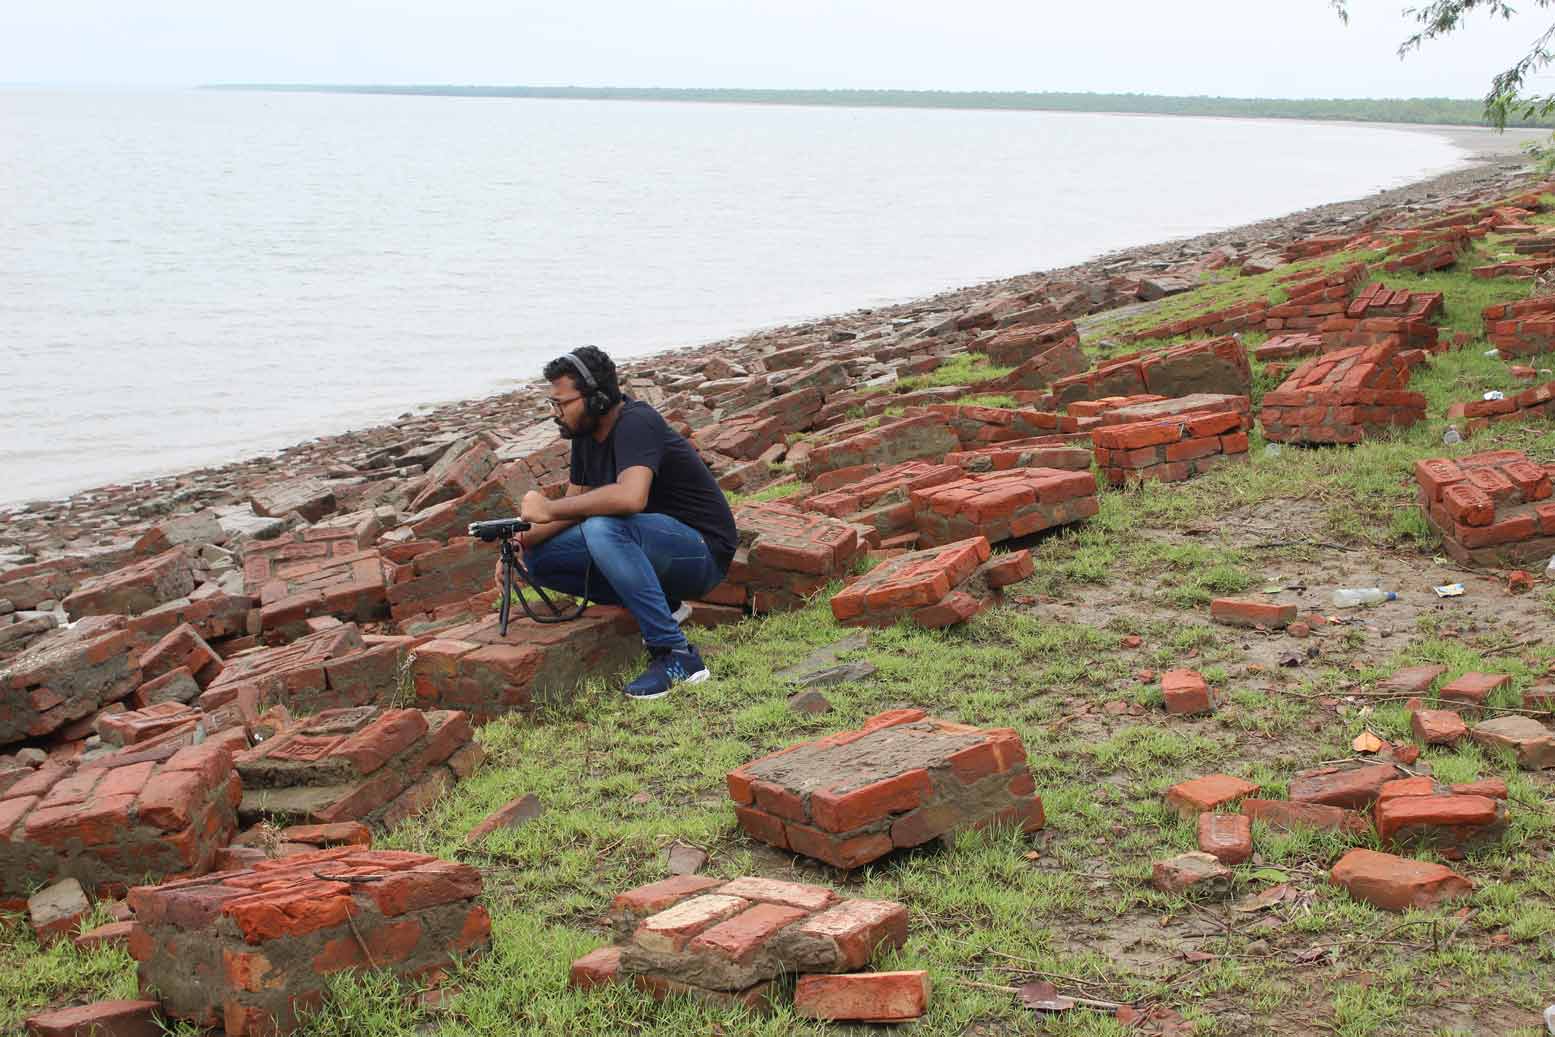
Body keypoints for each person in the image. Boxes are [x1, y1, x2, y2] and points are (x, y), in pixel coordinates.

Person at [506, 345, 738, 700]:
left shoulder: (637, 422)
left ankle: (677, 655)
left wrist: (548, 508)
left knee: (603, 527)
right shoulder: (585, 436)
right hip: (653, 549)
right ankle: (666, 606)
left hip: (702, 553)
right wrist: (519, 543)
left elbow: (631, 497)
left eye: (562, 404)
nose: (556, 413)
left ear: (597, 398)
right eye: (553, 404)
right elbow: (574, 506)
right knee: (539, 560)